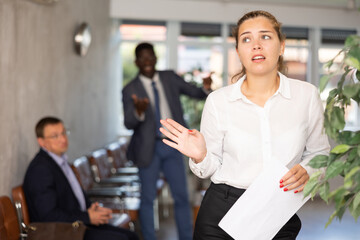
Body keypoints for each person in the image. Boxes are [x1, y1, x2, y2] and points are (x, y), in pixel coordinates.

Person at [159, 10, 330, 240]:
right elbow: (210, 167)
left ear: (281, 46)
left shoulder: (306, 96)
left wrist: (309, 171)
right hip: (222, 211)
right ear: (238, 51)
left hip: (278, 210)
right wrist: (200, 156)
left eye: (266, 37)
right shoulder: (218, 101)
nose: (256, 45)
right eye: (247, 39)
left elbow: (321, 154)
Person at [122, 42, 211, 240]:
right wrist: (138, 112)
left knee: (181, 197)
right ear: (137, 62)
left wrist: (205, 87)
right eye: (142, 58)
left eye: (150, 57)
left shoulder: (169, 77)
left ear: (155, 58)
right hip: (148, 149)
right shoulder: (130, 90)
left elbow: (194, 92)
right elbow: (128, 123)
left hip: (173, 145)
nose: (147, 62)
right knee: (147, 199)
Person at [23, 117, 139, 240]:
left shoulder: (60, 161)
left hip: (76, 223)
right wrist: (87, 217)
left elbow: (72, 198)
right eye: (55, 136)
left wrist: (91, 209)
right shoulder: (40, 169)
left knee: (131, 236)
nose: (62, 139)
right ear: (41, 142)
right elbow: (48, 216)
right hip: (60, 232)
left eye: (63, 133)